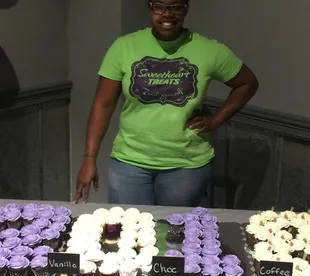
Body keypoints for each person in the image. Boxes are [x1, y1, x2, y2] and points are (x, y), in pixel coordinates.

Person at [72, 0, 259, 206]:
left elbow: (247, 83)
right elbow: (103, 105)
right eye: (159, 6)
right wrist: (89, 158)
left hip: (186, 166)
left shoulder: (209, 50)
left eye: (175, 7)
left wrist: (216, 120)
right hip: (130, 164)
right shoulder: (124, 47)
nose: (167, 14)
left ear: (186, 9)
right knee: (131, 233)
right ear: (150, 8)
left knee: (174, 235)